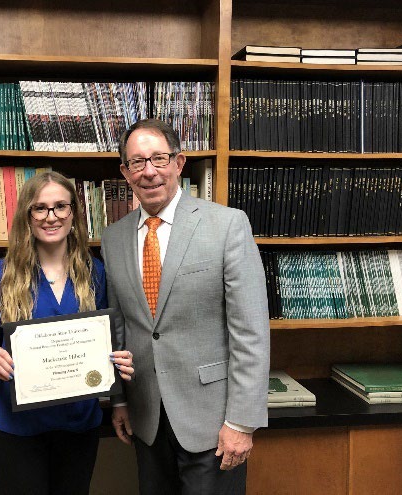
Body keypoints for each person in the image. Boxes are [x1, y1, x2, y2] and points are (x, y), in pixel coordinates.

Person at [101, 119, 270, 495]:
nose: (149, 172)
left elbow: (251, 331)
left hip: (213, 421)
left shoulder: (227, 225)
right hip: (146, 417)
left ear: (179, 163)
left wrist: (242, 422)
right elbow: (118, 328)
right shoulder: (113, 238)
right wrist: (120, 401)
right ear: (125, 172)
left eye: (159, 159)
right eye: (137, 162)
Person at [0, 171, 134, 495]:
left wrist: (118, 363)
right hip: (18, 428)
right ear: (27, 216)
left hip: (78, 425)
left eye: (60, 206)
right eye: (40, 208)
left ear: (73, 211)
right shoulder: (1, 275)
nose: (51, 216)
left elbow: (107, 342)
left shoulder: (94, 272)